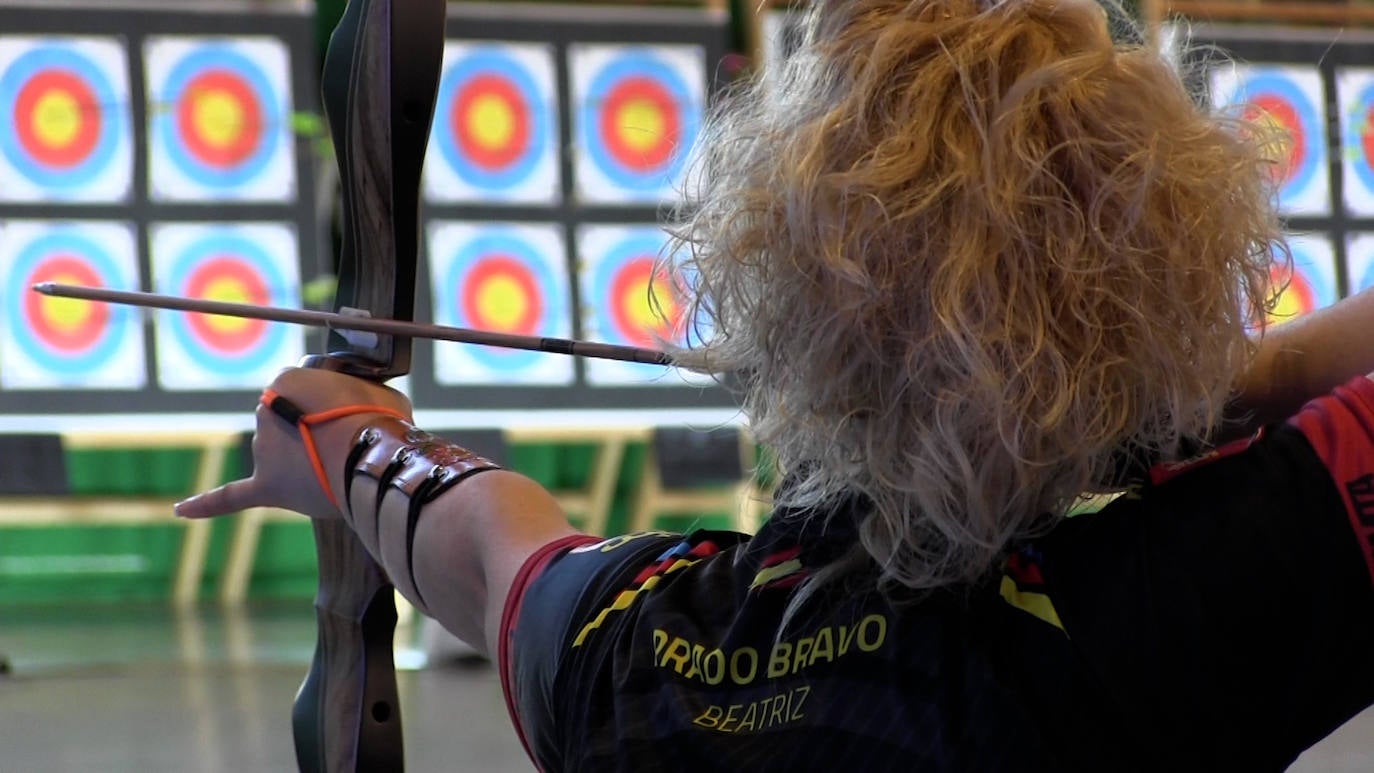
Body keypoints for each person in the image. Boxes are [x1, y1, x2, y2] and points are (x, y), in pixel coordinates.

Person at [177, 0, 1374, 770]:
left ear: (781, 274)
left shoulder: (659, 653)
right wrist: (1211, 381)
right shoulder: (1184, 610)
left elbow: (485, 538)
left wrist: (332, 434)